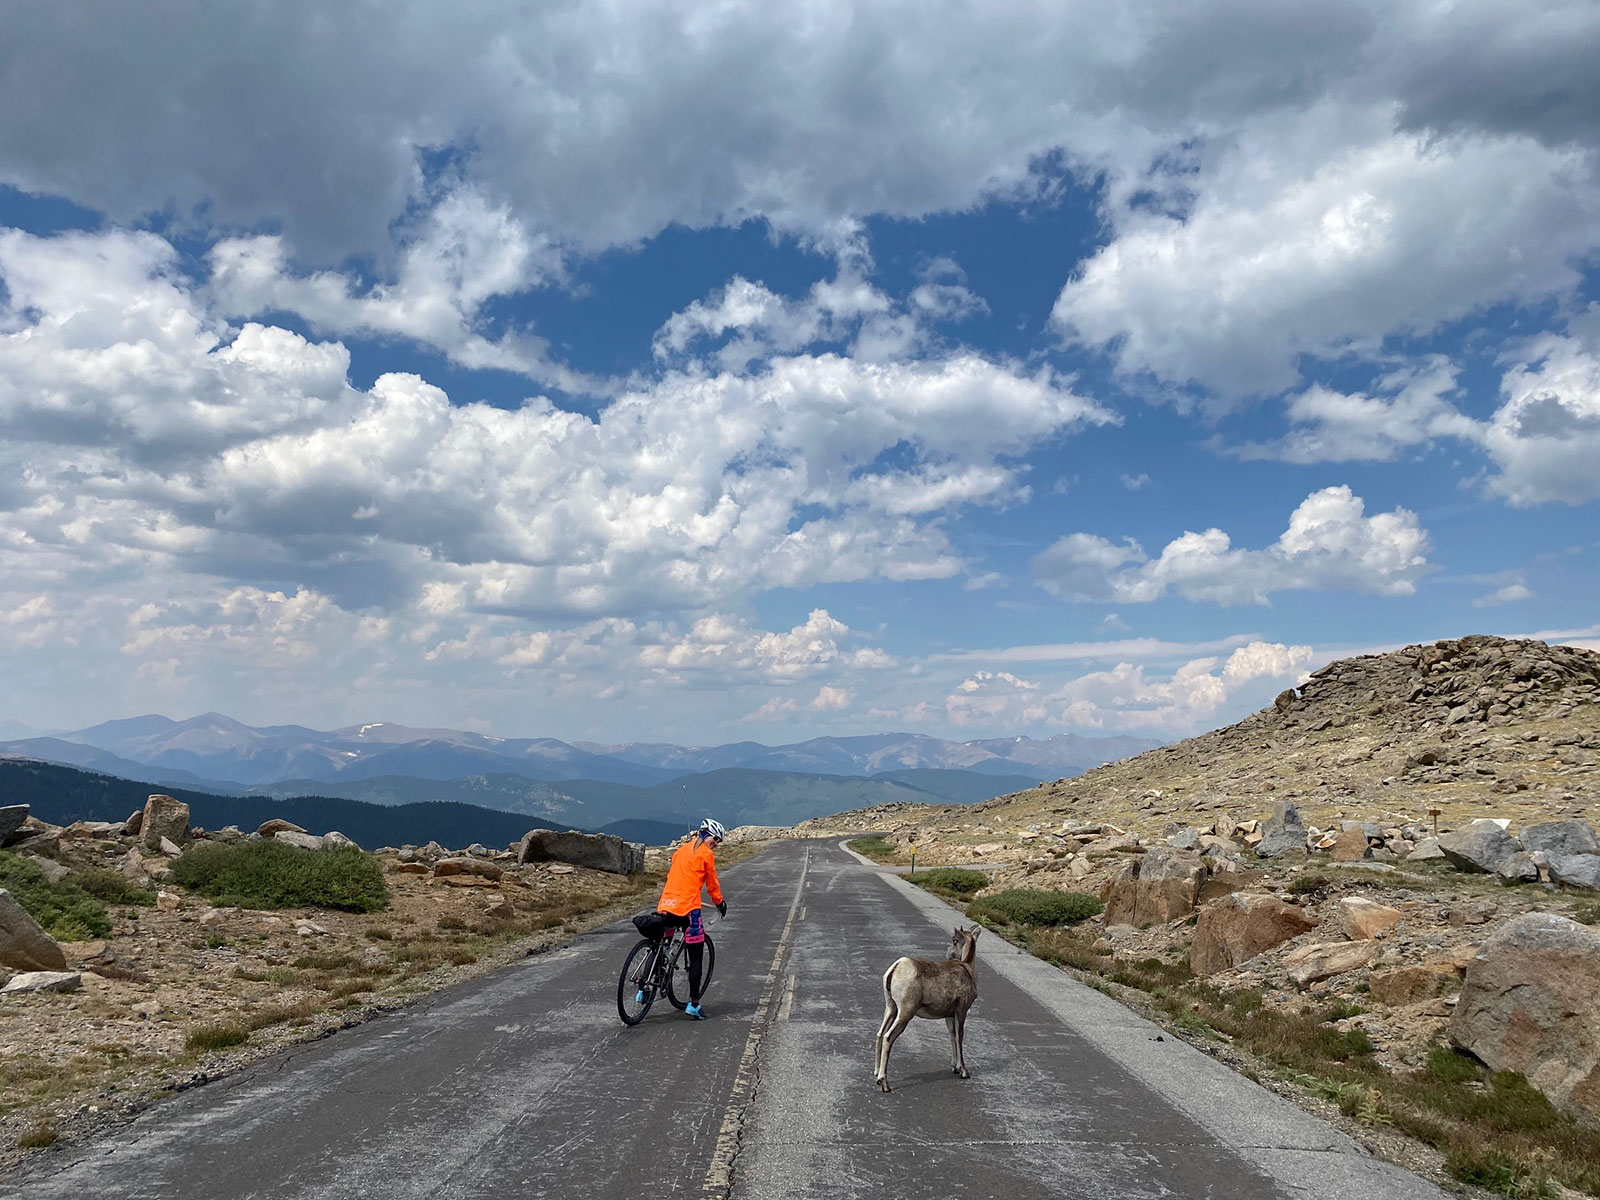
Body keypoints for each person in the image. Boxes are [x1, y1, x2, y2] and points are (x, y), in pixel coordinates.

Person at [651, 817, 727, 1019]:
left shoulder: (681, 850)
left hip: (666, 904)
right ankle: (693, 1004)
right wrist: (719, 903)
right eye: (715, 839)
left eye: (718, 841)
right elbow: (712, 884)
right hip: (688, 909)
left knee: (662, 944)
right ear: (706, 834)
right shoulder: (706, 854)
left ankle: (646, 986)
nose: (716, 844)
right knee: (696, 956)